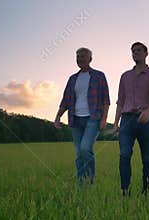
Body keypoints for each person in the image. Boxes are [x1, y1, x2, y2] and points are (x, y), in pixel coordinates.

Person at [113, 42, 149, 195]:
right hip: (126, 121)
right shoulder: (125, 76)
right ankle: (125, 191)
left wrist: (148, 112)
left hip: (146, 121)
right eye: (133, 51)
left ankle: (146, 191)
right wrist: (116, 123)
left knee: (147, 158)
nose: (135, 53)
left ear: (146, 53)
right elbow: (120, 102)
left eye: (139, 50)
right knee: (124, 154)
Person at [55, 47, 110, 185]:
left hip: (93, 118)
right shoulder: (72, 79)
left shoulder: (99, 76)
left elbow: (105, 100)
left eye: (83, 56)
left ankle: (90, 179)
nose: (80, 59)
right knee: (79, 153)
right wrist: (58, 117)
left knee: (85, 148)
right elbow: (65, 100)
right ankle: (81, 183)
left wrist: (104, 118)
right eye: (78, 56)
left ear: (90, 59)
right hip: (75, 119)